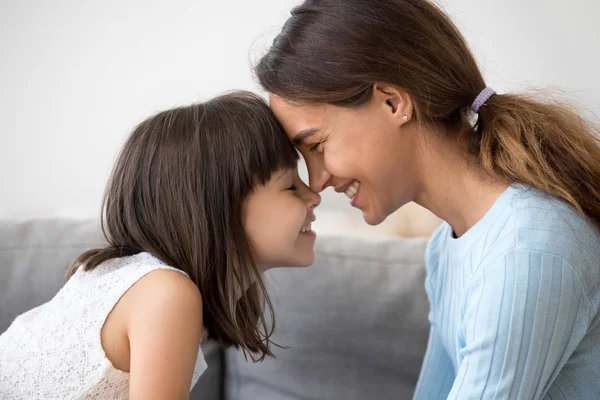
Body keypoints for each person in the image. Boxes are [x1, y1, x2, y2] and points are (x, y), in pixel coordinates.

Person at [255, 0, 600, 398]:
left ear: (393, 102)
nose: (316, 181)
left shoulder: (528, 250)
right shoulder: (447, 246)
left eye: (317, 144)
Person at [0, 91, 321, 400]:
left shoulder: (146, 283)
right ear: (214, 206)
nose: (314, 196)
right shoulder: (165, 293)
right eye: (291, 185)